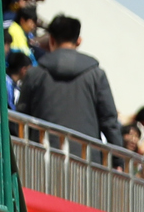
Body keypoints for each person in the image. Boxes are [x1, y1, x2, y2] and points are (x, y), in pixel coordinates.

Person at [13, 15, 118, 145]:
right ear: (78, 41)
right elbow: (109, 121)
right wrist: (118, 155)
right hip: (86, 154)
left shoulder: (35, 74)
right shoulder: (96, 75)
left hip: (42, 153)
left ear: (51, 40)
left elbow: (21, 118)